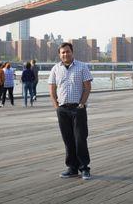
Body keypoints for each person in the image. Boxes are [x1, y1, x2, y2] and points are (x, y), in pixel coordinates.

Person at [48, 42, 93, 180]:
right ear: (59, 54)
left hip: (77, 108)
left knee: (80, 139)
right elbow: (52, 88)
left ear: (72, 52)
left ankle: (84, 168)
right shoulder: (55, 69)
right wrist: (56, 106)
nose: (65, 54)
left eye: (67, 52)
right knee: (68, 140)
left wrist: (82, 104)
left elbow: (87, 87)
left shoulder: (82, 67)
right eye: (63, 52)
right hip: (62, 109)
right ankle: (72, 168)